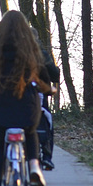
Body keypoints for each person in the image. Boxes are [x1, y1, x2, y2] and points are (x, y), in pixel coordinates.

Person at [0, 10, 54, 186]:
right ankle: (34, 167)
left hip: (1, 104)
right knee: (30, 133)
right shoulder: (30, 49)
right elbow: (43, 73)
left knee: (0, 146)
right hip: (26, 105)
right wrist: (49, 88)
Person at [30, 27, 61, 170]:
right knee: (47, 123)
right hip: (38, 98)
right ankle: (47, 157)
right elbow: (54, 74)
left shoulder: (14, 54)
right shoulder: (41, 55)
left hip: (15, 98)